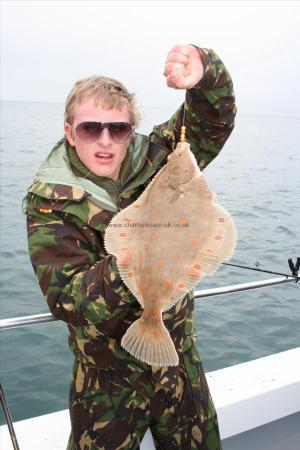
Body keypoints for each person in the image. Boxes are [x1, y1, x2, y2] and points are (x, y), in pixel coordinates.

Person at [24, 44, 236, 450]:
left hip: (180, 362)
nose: (105, 140)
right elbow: (67, 301)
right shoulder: (49, 202)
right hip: (105, 379)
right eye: (90, 128)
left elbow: (212, 120)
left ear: (131, 131)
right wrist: (138, 254)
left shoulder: (161, 158)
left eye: (118, 129)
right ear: (70, 132)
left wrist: (204, 70)